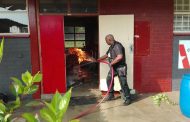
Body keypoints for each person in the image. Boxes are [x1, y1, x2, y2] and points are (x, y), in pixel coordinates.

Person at [97, 34, 131, 105]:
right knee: (109, 79)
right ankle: (111, 95)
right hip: (114, 67)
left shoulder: (117, 46)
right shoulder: (111, 47)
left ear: (109, 40)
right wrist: (99, 59)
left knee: (123, 83)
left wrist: (111, 63)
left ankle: (127, 98)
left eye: (106, 41)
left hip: (121, 67)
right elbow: (107, 55)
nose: (106, 42)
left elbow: (120, 57)